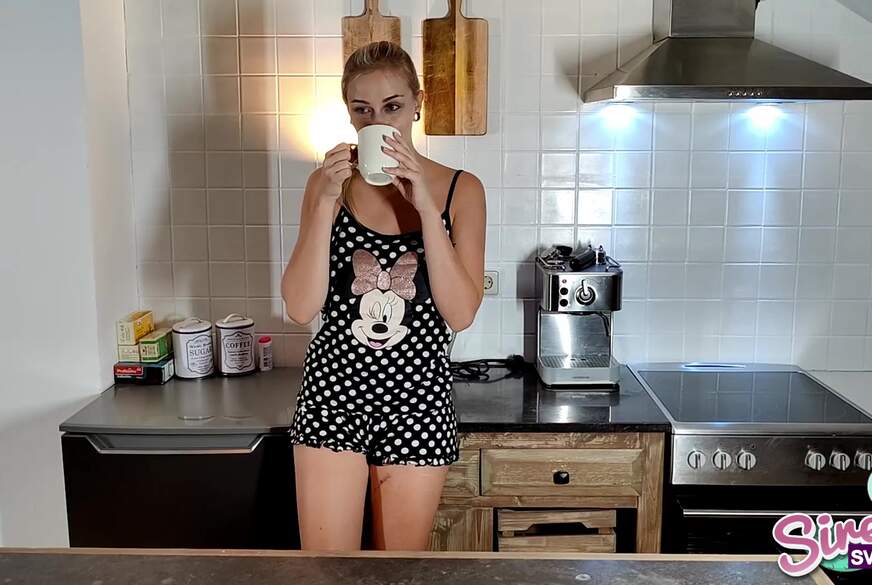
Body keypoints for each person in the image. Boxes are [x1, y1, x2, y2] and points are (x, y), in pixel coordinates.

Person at [281, 41, 486, 552]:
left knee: (397, 572)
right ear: (349, 114)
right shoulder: (326, 185)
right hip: (332, 396)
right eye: (363, 110)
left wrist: (427, 210)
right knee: (328, 570)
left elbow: (461, 313)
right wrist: (325, 204)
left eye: (392, 107)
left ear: (417, 104)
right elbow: (300, 307)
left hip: (419, 400)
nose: (378, 121)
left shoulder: (461, 191)